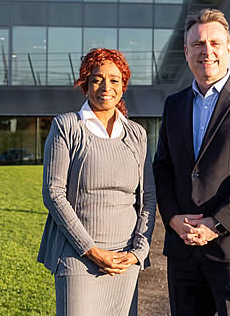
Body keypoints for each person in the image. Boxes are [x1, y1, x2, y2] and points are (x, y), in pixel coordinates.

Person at [153, 8, 230, 315]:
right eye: (197, 44)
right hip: (183, 248)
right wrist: (172, 219)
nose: (206, 51)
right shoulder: (174, 104)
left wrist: (216, 223)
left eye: (214, 43)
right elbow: (162, 167)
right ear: (186, 52)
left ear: (228, 48)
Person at [38, 48, 156, 316]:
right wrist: (91, 250)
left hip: (125, 261)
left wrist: (139, 251)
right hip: (78, 256)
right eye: (97, 78)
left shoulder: (137, 134)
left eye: (114, 80)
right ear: (85, 84)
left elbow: (148, 197)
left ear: (123, 87)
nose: (106, 86)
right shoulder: (67, 127)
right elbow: (53, 193)